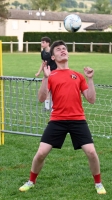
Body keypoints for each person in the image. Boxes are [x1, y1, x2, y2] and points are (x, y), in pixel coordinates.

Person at [19, 40, 106, 195]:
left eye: (64, 49)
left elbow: (91, 99)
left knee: (92, 152)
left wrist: (90, 79)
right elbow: (41, 98)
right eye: (58, 50)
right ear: (53, 57)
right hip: (57, 120)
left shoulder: (78, 76)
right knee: (40, 154)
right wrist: (45, 78)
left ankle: (98, 183)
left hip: (78, 120)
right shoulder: (51, 75)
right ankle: (31, 181)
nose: (62, 51)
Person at [35, 36, 57, 111]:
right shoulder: (42, 52)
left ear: (48, 43)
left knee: (53, 90)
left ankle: (53, 107)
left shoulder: (53, 52)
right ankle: (47, 107)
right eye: (41, 42)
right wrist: (39, 72)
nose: (42, 43)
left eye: (43, 42)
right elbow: (43, 63)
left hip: (54, 73)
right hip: (46, 74)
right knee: (46, 89)